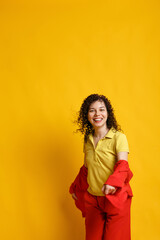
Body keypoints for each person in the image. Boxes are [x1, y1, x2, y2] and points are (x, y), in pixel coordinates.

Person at [69, 94, 133, 240]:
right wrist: (76, 188)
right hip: (94, 200)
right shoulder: (88, 139)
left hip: (116, 199)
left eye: (101, 109)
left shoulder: (119, 137)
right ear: (87, 115)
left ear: (107, 113)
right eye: (92, 110)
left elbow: (123, 165)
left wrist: (112, 183)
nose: (97, 114)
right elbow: (86, 169)